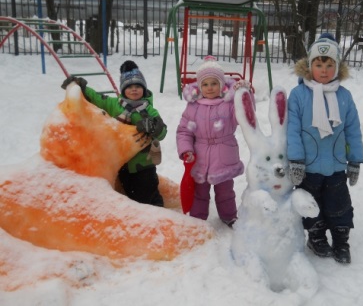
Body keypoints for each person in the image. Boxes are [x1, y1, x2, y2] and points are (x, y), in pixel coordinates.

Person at [287, 33, 363, 264]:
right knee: (312, 205)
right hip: (309, 168)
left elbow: (353, 130)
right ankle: (317, 236)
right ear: (310, 66)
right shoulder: (299, 95)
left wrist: (355, 160)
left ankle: (341, 240)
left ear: (337, 67)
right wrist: (296, 160)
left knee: (339, 204)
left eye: (329, 65)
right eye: (318, 64)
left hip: (336, 166)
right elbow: (292, 130)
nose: (324, 70)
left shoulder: (344, 96)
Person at [61, 60, 167, 207]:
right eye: (129, 87)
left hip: (143, 164)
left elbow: (162, 133)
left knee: (146, 194)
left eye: (138, 86)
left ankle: (158, 213)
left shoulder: (149, 111)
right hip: (122, 163)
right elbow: (97, 98)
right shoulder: (114, 105)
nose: (134, 90)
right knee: (130, 194)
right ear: (123, 90)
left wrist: (154, 126)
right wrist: (80, 86)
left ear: (143, 88)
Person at [176, 56, 248, 227]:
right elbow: (184, 130)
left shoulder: (229, 104)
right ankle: (197, 218)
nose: (209, 88)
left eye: (214, 83)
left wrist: (244, 94)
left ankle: (229, 216)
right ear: (199, 86)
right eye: (205, 84)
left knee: (225, 191)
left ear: (222, 84)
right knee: (199, 191)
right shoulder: (193, 106)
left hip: (224, 153)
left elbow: (246, 113)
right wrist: (186, 149)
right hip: (200, 156)